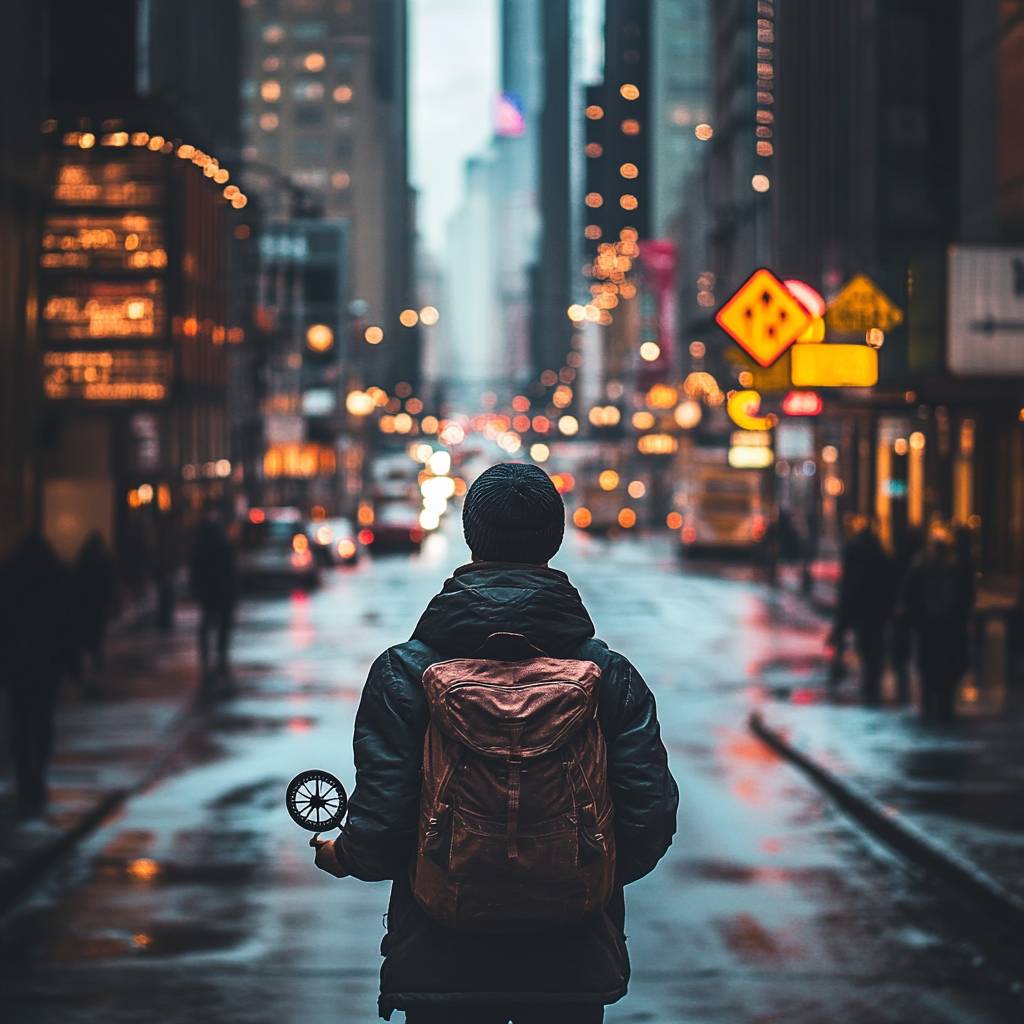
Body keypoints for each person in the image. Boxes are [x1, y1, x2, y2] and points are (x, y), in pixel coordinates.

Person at [310, 463, 679, 1023]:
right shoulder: (608, 675)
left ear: (470, 536)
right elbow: (648, 821)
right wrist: (572, 874)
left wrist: (340, 854)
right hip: (570, 964)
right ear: (553, 540)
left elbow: (382, 829)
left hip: (440, 959)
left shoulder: (405, 674)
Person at [0, 532, 78, 817]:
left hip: (18, 662)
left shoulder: (8, 574)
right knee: (43, 719)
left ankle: (25, 780)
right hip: (47, 662)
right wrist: (71, 662)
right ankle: (39, 774)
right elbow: (67, 623)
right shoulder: (56, 575)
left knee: (20, 724)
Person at [901, 521, 974, 722]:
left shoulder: (924, 567)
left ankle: (933, 706)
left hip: (934, 627)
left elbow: (909, 597)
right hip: (942, 627)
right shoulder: (954, 569)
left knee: (932, 668)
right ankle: (942, 706)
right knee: (942, 669)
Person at [831, 515, 895, 703]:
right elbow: (889, 585)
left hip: (862, 609)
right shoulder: (881, 554)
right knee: (875, 646)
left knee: (866, 645)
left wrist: (842, 619)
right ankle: (872, 681)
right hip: (876, 611)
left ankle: (870, 682)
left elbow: (848, 587)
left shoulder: (854, 554)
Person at [190, 507, 238, 681]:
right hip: (221, 589)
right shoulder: (223, 542)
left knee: (208, 623)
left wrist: (197, 588)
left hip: (209, 590)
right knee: (220, 625)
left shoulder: (201, 543)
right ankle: (220, 656)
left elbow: (195, 569)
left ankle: (209, 657)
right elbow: (230, 569)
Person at [73, 531, 117, 679]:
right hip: (98, 605)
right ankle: (97, 662)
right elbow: (109, 584)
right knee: (97, 635)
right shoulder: (104, 561)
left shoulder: (83, 560)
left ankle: (89, 664)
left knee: (88, 634)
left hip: (86, 604)